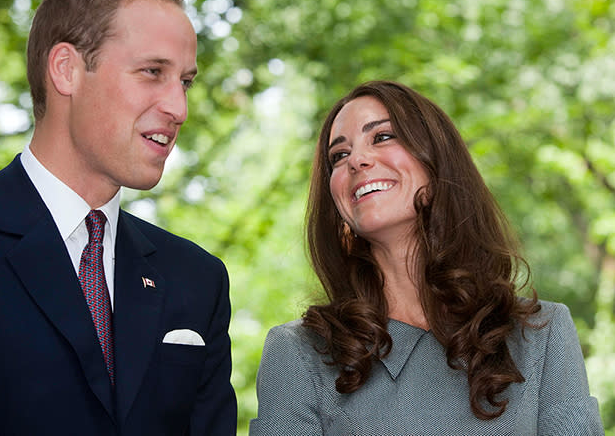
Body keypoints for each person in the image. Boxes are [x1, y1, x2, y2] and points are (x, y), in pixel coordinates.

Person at [0, 0, 236, 435]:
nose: (179, 108)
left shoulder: (197, 279)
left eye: (185, 82)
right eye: (153, 72)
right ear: (66, 69)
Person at [250, 80, 604, 435]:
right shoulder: (298, 354)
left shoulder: (543, 334)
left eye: (383, 136)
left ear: (437, 161)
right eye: (339, 156)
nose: (356, 160)